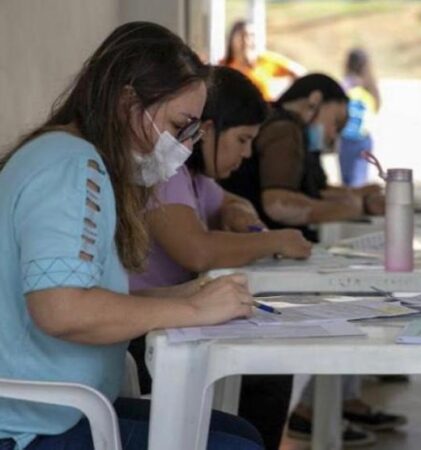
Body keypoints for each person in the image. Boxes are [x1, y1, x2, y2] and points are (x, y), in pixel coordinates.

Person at [0, 22, 264, 450]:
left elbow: (79, 295)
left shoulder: (74, 159)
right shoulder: (70, 166)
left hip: (58, 408)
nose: (184, 146)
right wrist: (195, 309)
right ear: (127, 103)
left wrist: (183, 296)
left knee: (241, 433)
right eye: (180, 125)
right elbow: (61, 310)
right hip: (33, 425)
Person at [127, 66, 312, 449]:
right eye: (242, 140)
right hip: (135, 332)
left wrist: (237, 211)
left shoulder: (194, 178)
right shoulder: (165, 172)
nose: (246, 155)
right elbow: (197, 249)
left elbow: (229, 201)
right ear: (207, 128)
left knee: (267, 370)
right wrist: (273, 239)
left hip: (165, 318)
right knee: (267, 371)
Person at [221, 73, 384, 242]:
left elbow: (312, 191)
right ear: (315, 100)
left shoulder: (291, 129)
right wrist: (357, 207)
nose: (333, 135)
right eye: (335, 122)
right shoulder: (285, 130)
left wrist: (356, 195)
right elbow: (279, 205)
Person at [222, 20, 306, 101]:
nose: (247, 41)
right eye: (242, 36)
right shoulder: (223, 67)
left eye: (251, 36)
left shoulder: (265, 60)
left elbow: (300, 73)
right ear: (232, 40)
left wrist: (286, 100)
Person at [339, 48, 381, 187]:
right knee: (359, 180)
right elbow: (376, 108)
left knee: (347, 182)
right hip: (364, 138)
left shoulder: (345, 85)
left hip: (346, 138)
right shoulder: (370, 86)